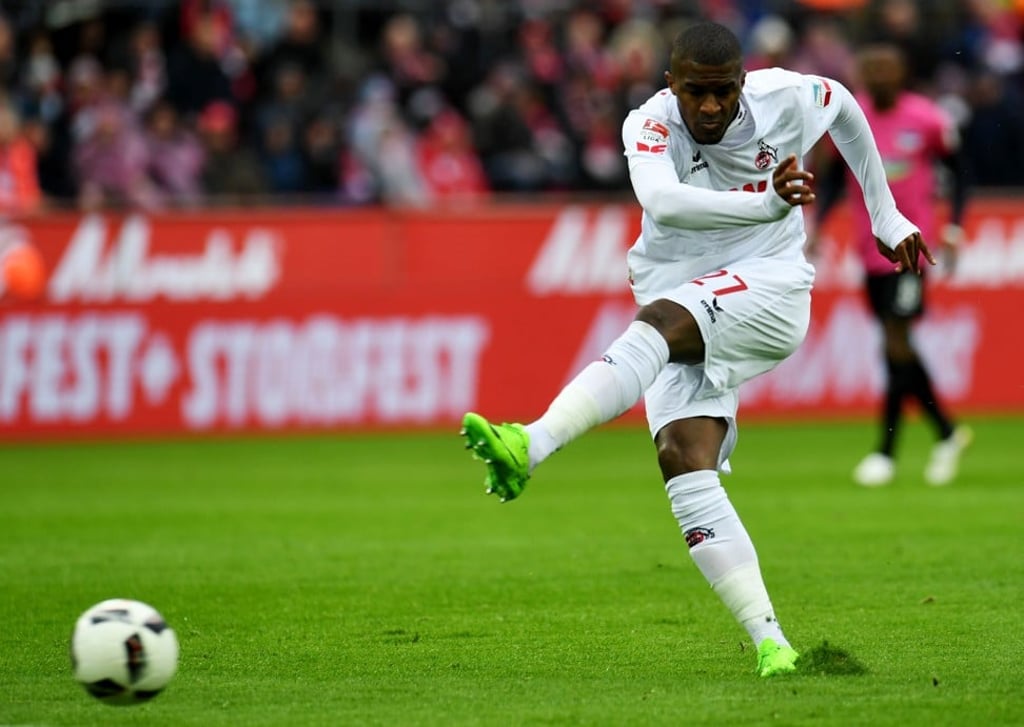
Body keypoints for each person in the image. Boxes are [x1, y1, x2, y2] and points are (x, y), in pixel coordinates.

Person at [460, 21, 932, 678]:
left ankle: (531, 444)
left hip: (769, 286)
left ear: (742, 83)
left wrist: (884, 216)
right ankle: (773, 642)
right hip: (690, 286)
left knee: (658, 324)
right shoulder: (647, 125)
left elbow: (847, 108)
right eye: (695, 94)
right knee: (682, 458)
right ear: (670, 85)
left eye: (723, 93)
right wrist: (764, 202)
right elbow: (665, 203)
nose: (710, 108)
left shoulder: (784, 96)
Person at [810, 44, 972, 487]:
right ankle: (947, 432)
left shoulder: (927, 118)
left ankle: (885, 452)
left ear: (902, 73)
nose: (879, 76)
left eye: (888, 68)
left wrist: (955, 227)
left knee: (896, 343)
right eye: (872, 69)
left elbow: (960, 171)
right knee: (893, 347)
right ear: (860, 74)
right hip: (869, 251)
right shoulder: (848, 118)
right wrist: (819, 226)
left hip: (911, 249)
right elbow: (832, 180)